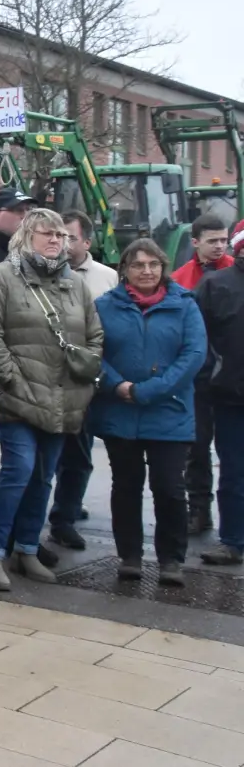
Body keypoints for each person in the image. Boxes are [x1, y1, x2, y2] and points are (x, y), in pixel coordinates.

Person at [0, 208, 102, 590]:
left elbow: (94, 335)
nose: (55, 241)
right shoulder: (1, 278)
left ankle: (27, 549)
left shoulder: (74, 284)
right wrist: (12, 378)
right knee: (18, 471)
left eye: (61, 235)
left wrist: (87, 378)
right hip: (18, 397)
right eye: (47, 233)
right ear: (26, 236)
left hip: (64, 397)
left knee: (44, 477)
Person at [90, 238, 204, 586]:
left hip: (169, 411)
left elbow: (193, 354)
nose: (147, 271)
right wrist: (117, 385)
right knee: (126, 487)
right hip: (119, 411)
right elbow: (92, 350)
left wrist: (147, 391)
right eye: (138, 265)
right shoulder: (104, 305)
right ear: (124, 269)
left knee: (170, 488)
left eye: (153, 264)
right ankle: (130, 557)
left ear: (163, 268)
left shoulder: (184, 304)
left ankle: (171, 559)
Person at [46, 209, 119, 551]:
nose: (61, 242)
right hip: (44, 381)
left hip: (84, 382)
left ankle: (64, 517)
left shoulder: (107, 278)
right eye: (57, 235)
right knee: (42, 457)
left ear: (87, 241)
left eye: (69, 236)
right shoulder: (37, 274)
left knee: (78, 455)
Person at [172, 213, 232, 535]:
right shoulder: (182, 278)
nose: (219, 247)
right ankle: (199, 509)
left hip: (231, 378)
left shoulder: (236, 272)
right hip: (196, 378)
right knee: (196, 447)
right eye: (213, 241)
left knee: (232, 450)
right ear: (195, 242)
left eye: (223, 240)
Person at [193, 220, 244, 566]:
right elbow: (197, 340)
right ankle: (233, 540)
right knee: (234, 471)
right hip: (230, 397)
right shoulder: (215, 285)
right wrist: (210, 378)